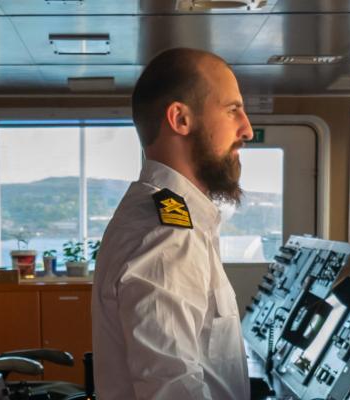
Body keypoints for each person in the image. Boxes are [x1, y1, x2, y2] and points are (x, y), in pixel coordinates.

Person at [92, 48, 254, 399]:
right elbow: (171, 388)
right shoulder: (167, 235)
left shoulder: (170, 217)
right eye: (232, 110)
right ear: (180, 119)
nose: (247, 129)